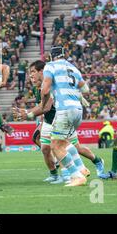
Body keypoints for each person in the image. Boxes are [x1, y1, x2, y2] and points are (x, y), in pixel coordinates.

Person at [14, 60, 105, 184]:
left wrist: (28, 114)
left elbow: (45, 107)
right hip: (49, 121)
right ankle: (56, 174)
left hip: (61, 118)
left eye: (33, 72)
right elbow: (43, 106)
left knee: (68, 147)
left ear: (42, 71)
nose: (31, 76)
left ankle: (91, 163)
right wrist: (39, 121)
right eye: (30, 73)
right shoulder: (37, 88)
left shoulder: (50, 82)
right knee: (46, 148)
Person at [40, 46, 90, 187]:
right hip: (78, 110)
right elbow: (85, 89)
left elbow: (45, 90)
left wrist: (44, 104)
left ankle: (76, 176)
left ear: (51, 56)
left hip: (64, 110)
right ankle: (81, 168)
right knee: (64, 142)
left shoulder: (50, 66)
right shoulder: (73, 68)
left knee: (55, 146)